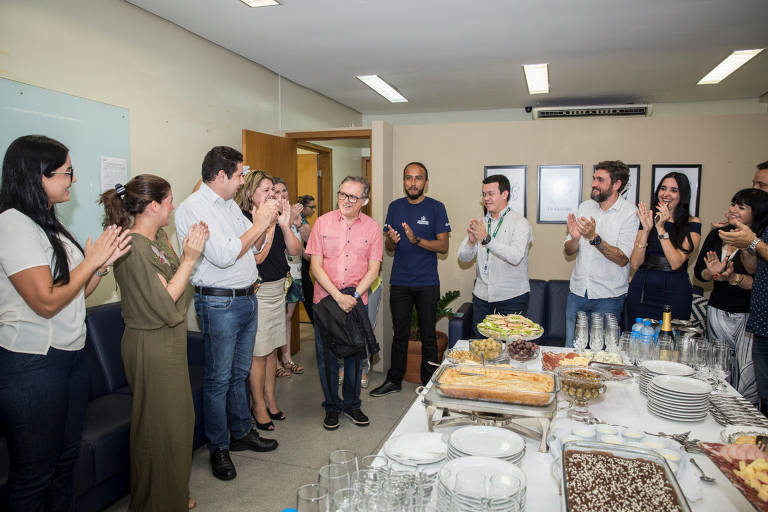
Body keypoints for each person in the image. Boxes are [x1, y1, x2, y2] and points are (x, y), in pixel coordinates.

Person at [0, 135, 130, 511]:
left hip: (70, 356)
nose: (72, 180)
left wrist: (101, 265)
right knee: (34, 473)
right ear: (38, 175)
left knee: (64, 463)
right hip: (33, 365)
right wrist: (91, 262)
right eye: (67, 172)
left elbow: (75, 294)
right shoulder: (13, 224)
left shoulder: (49, 224)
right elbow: (45, 301)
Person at [100, 175, 209, 511]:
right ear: (152, 206)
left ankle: (172, 493)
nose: (173, 207)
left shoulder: (157, 237)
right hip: (150, 345)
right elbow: (165, 301)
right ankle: (156, 502)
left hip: (169, 342)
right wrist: (191, 258)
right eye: (169, 201)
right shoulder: (133, 249)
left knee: (177, 424)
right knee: (159, 428)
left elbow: (171, 281)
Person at [174, 146, 278, 482]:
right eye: (238, 176)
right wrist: (259, 223)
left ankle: (241, 431)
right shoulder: (194, 209)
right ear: (221, 176)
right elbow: (224, 254)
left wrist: (266, 225)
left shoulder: (229, 205)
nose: (241, 183)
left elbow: (250, 245)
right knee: (218, 379)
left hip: (247, 298)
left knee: (239, 373)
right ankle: (219, 447)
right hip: (219, 303)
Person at [305, 176, 382, 430]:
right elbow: (315, 266)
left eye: (352, 197)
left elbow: (374, 270)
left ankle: (352, 405)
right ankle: (332, 406)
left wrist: (353, 297)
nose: (345, 200)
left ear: (364, 201)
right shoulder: (322, 223)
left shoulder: (372, 228)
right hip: (326, 300)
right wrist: (338, 296)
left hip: (356, 301)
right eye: (342, 194)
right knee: (326, 357)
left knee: (354, 356)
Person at [369, 162, 450, 396]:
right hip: (401, 282)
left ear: (426, 182)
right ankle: (394, 380)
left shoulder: (436, 207)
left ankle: (429, 382)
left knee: (428, 336)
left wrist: (416, 240)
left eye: (418, 178)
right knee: (400, 334)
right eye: (408, 178)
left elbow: (443, 246)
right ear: (404, 181)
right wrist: (392, 239)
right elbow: (389, 246)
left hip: (427, 283)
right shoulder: (395, 207)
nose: (413, 183)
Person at [235, 172, 299, 432]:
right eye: (266, 190)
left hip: (277, 290)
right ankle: (258, 405)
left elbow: (295, 252)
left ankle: (271, 399)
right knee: (258, 354)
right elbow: (257, 256)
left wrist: (284, 224)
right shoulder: (243, 218)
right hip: (257, 292)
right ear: (251, 193)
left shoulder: (276, 218)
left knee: (272, 349)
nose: (272, 194)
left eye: (274, 189)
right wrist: (266, 223)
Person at [693, 188, 768, 405]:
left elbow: (756, 276)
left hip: (748, 315)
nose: (733, 209)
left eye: (741, 207)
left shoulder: (759, 239)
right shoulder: (720, 234)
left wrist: (734, 275)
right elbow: (700, 273)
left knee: (746, 375)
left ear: (756, 213)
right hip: (718, 309)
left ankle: (745, 422)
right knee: (718, 370)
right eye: (733, 204)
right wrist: (714, 272)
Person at [564, 161, 637, 348]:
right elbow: (569, 250)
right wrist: (574, 238)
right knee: (571, 352)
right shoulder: (585, 207)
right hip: (578, 293)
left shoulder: (629, 213)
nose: (594, 184)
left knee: (603, 356)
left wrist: (594, 238)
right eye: (594, 178)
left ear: (617, 184)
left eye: (600, 180)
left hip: (608, 298)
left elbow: (622, 259)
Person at [457, 174, 532, 340]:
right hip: (482, 298)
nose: (486, 198)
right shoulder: (481, 222)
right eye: (484, 194)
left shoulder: (520, 223)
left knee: (510, 351)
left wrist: (487, 239)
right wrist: (470, 241)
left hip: (512, 299)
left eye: (491, 194)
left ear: (504, 194)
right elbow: (463, 257)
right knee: (482, 349)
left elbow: (515, 256)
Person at [627, 172, 701, 322]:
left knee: (670, 340)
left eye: (674, 190)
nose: (666, 194)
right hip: (642, 288)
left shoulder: (692, 223)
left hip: (675, 291)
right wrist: (647, 230)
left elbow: (676, 262)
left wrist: (661, 228)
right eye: (663, 188)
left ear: (683, 195)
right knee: (638, 338)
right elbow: (635, 263)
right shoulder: (647, 218)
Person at [274, 178, 306, 376]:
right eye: (276, 192)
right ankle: (275, 362)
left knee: (287, 317)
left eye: (284, 190)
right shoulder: (270, 218)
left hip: (295, 274)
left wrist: (297, 223)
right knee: (275, 319)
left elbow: (302, 250)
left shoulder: (294, 216)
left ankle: (287, 358)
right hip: (277, 276)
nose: (282, 195)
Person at [297, 194, 317, 323]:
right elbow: (306, 249)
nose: (314, 210)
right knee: (309, 295)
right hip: (300, 265)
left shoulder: (303, 221)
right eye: (312, 207)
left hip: (303, 263)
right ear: (303, 207)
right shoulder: (303, 225)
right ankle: (317, 325)